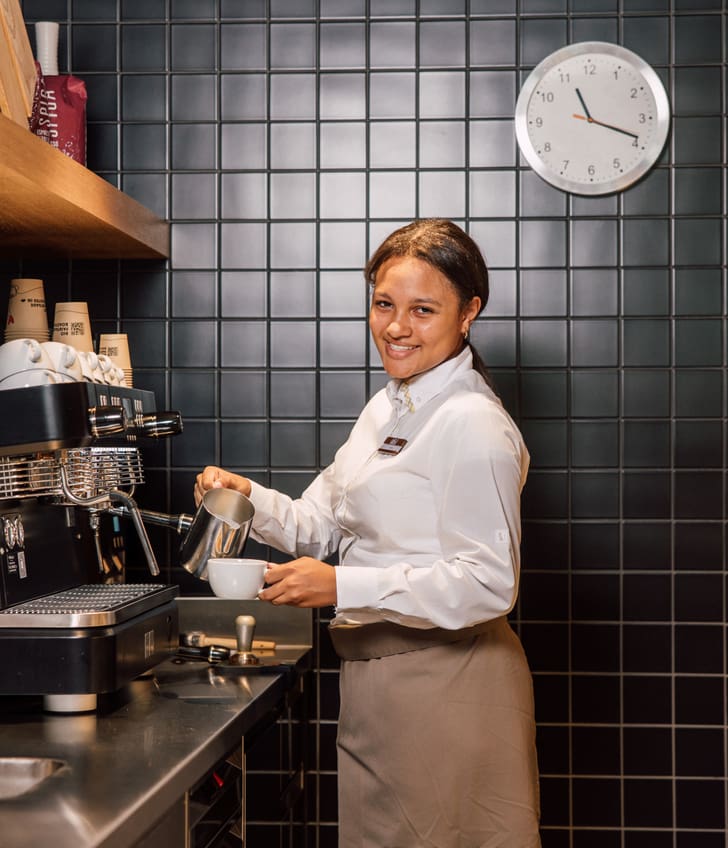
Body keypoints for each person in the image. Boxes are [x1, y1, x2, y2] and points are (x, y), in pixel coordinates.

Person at [195, 219, 541, 847]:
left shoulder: (472, 422)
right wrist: (251, 501)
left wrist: (340, 586)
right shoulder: (389, 407)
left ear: (469, 313)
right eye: (384, 304)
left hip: (449, 688)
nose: (396, 327)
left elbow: (489, 583)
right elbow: (320, 521)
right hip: (378, 689)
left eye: (422, 310)